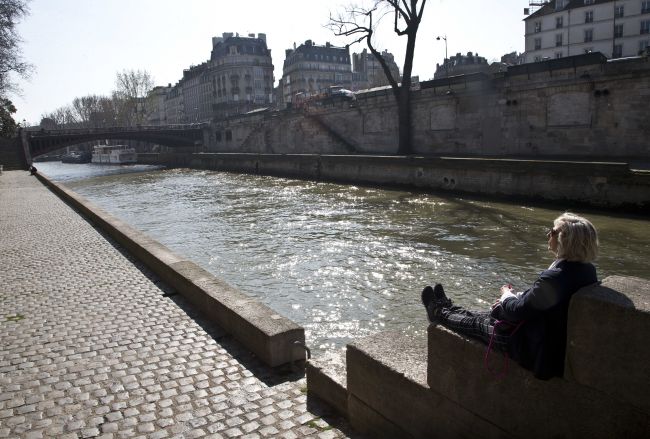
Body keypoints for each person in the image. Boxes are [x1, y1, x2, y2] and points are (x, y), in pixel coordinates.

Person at [421, 212, 599, 380]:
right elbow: (543, 300)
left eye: (553, 231)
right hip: (543, 336)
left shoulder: (555, 277)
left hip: (527, 345)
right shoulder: (585, 270)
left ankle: (437, 311)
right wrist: (516, 297)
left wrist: (507, 295)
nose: (548, 234)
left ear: (565, 240)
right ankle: (448, 307)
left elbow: (517, 311)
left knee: (475, 323)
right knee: (483, 314)